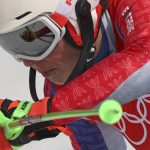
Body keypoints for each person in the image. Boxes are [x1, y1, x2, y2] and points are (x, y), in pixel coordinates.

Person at [0, 0, 150, 150]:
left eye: (37, 40)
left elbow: (146, 57)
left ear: (81, 16)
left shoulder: (136, 5)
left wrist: (51, 110)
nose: (27, 62)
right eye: (13, 46)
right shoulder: (63, 93)